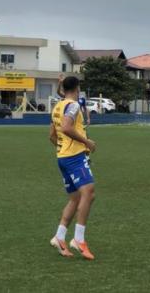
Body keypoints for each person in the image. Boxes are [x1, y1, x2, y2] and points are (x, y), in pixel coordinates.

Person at [49, 76, 97, 260]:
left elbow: (52, 135)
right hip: (74, 157)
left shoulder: (58, 106)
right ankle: (78, 239)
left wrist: (63, 148)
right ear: (77, 88)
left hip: (63, 157)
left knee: (75, 198)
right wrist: (87, 143)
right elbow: (68, 128)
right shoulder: (74, 105)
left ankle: (59, 237)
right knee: (89, 193)